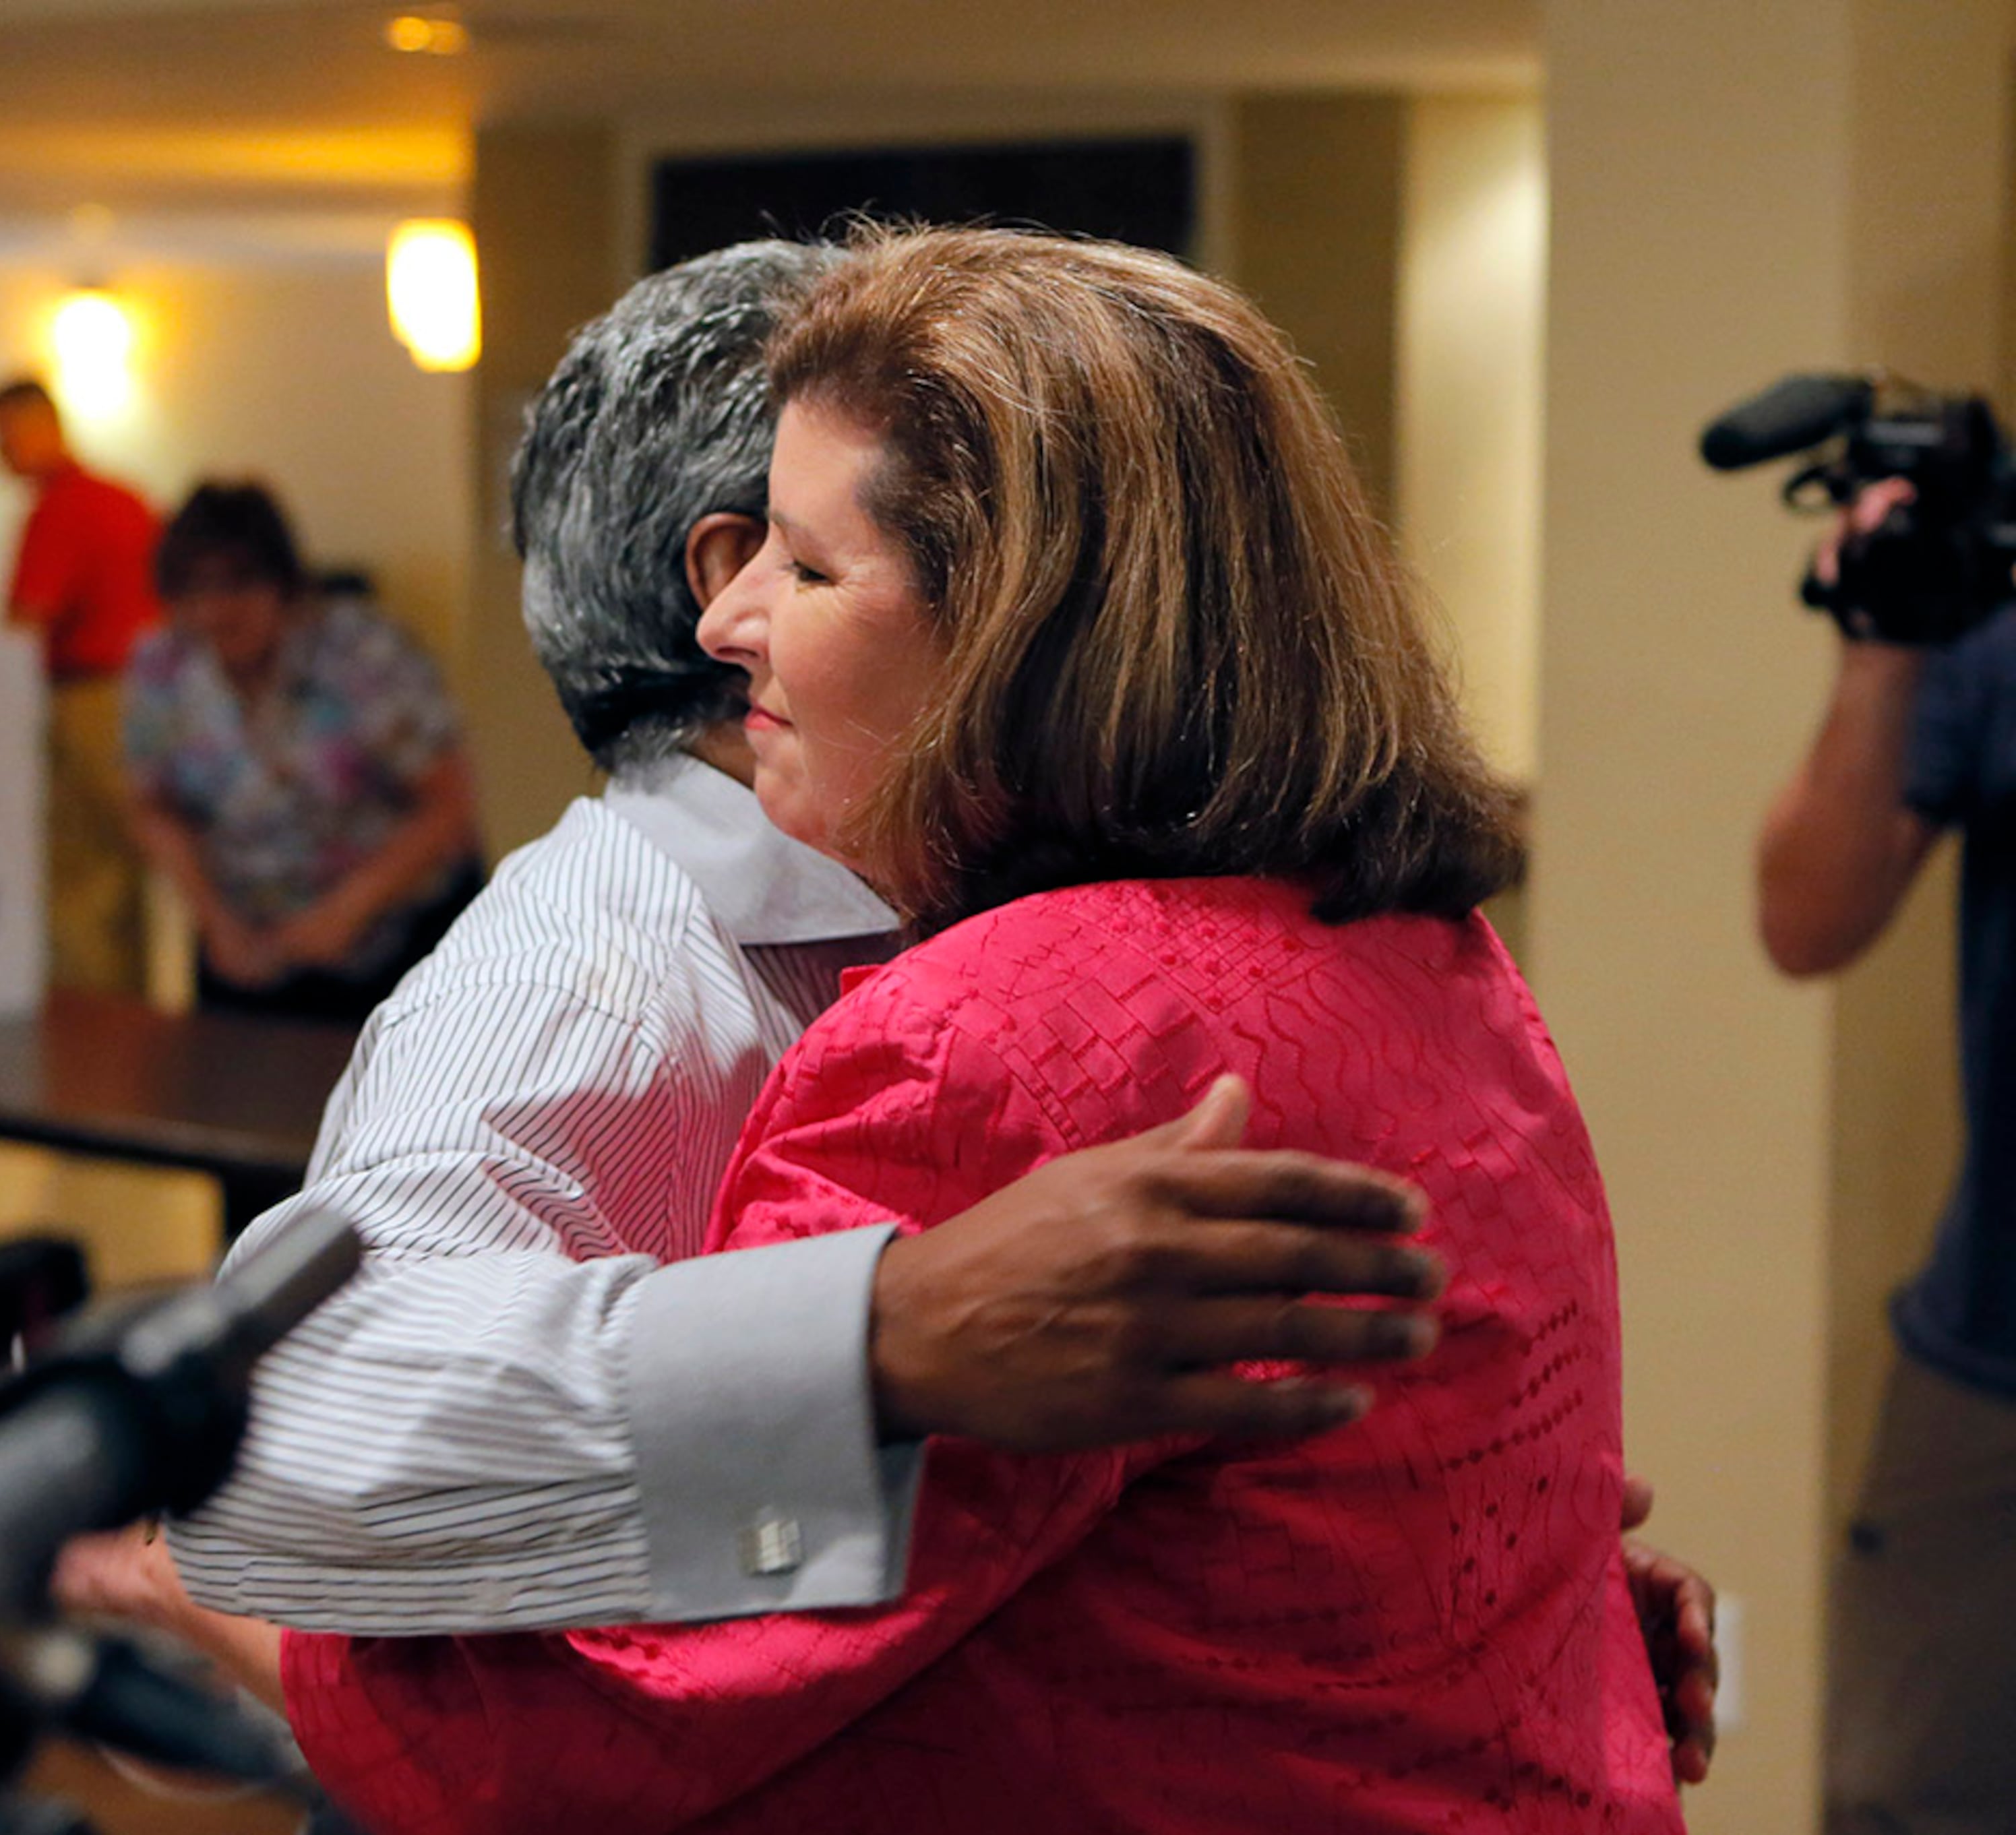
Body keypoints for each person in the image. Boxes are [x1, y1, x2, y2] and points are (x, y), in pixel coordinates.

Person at [268, 228, 1684, 1834]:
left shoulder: (990, 1042)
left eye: (802, 566)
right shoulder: (1429, 954)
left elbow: (558, 1740)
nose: (725, 624)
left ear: (1012, 632)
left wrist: (203, 1593)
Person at [154, 241, 1452, 1644]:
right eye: (782, 549)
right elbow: (276, 1428)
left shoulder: (1038, 905)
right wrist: (870, 1335)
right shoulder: (583, 977)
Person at [1758, 477, 2016, 1835]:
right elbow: (1806, 917)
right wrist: (1882, 649)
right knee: (1905, 1795)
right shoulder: (1994, 625)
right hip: (1992, 1352)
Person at [123, 481, 485, 1024]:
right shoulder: (164, 665)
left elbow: (449, 807)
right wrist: (215, 921)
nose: (217, 611)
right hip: (250, 948)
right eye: (195, 591)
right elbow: (153, 806)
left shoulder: (363, 650)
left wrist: (346, 913)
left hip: (395, 942)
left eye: (239, 585)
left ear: (283, 583)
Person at [0, 376, 164, 995]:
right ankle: (134, 1025)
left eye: (4, 434)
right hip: (147, 701)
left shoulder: (64, 508)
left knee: (80, 880)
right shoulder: (125, 498)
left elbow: (26, 625)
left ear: (42, 425)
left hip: (89, 701)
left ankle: (96, 1036)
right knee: (125, 880)